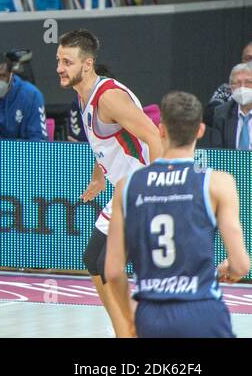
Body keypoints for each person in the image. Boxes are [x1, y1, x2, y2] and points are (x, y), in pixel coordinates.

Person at [107, 90, 248, 339]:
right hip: (202, 310)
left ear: (161, 130)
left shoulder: (127, 186)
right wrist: (228, 268)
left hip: (150, 313)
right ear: (200, 131)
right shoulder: (217, 183)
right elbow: (240, 264)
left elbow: (114, 272)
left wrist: (129, 322)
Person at [56, 28, 163, 339]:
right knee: (93, 259)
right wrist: (99, 175)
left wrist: (154, 189)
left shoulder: (109, 97)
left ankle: (132, 329)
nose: (60, 68)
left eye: (67, 62)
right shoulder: (83, 94)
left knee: (108, 264)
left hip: (140, 189)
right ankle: (125, 327)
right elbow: (108, 143)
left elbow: (153, 137)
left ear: (87, 64)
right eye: (59, 60)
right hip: (121, 189)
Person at [200, 62, 252, 150]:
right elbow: (218, 151)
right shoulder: (222, 113)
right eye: (237, 83)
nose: (242, 87)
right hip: (230, 163)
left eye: (248, 82)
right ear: (231, 88)